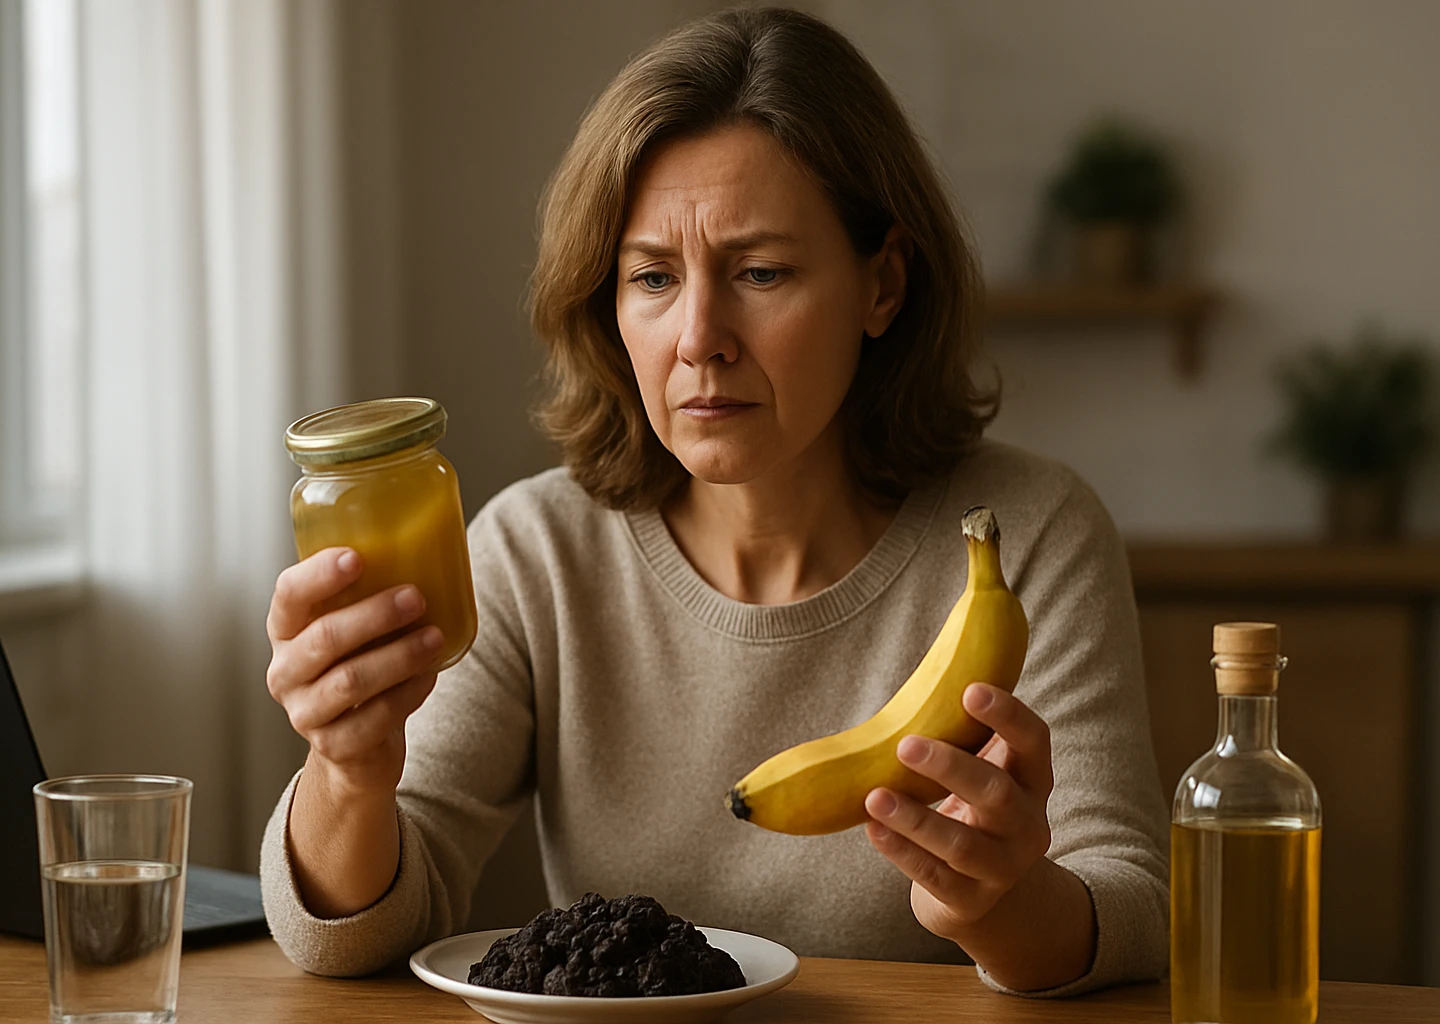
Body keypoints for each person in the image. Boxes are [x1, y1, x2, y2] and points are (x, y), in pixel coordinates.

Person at [258, 6, 1168, 997]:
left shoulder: (1027, 535)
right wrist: (347, 771)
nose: (699, 337)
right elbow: (354, 933)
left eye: (760, 272)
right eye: (652, 276)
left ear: (884, 285)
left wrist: (1004, 902)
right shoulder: (537, 551)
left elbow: (1132, 906)